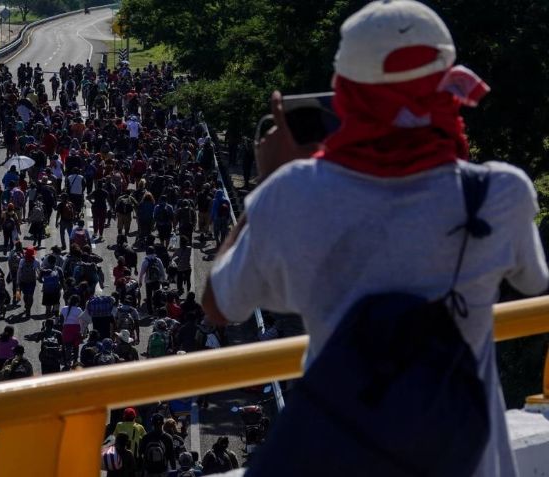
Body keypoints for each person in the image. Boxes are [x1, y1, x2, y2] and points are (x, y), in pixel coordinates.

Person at [202, 2, 549, 476]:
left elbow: (219, 305)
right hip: (469, 457)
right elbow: (533, 283)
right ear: (446, 79)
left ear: (344, 91)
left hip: (347, 450)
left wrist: (265, 188)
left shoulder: (290, 194)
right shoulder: (498, 192)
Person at [139, 246, 166, 314]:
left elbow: (142, 273)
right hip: (157, 281)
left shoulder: (145, 261)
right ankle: (157, 309)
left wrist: (140, 282)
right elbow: (162, 270)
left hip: (149, 281)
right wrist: (163, 280)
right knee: (157, 295)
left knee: (149, 297)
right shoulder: (158, 260)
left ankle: (150, 311)